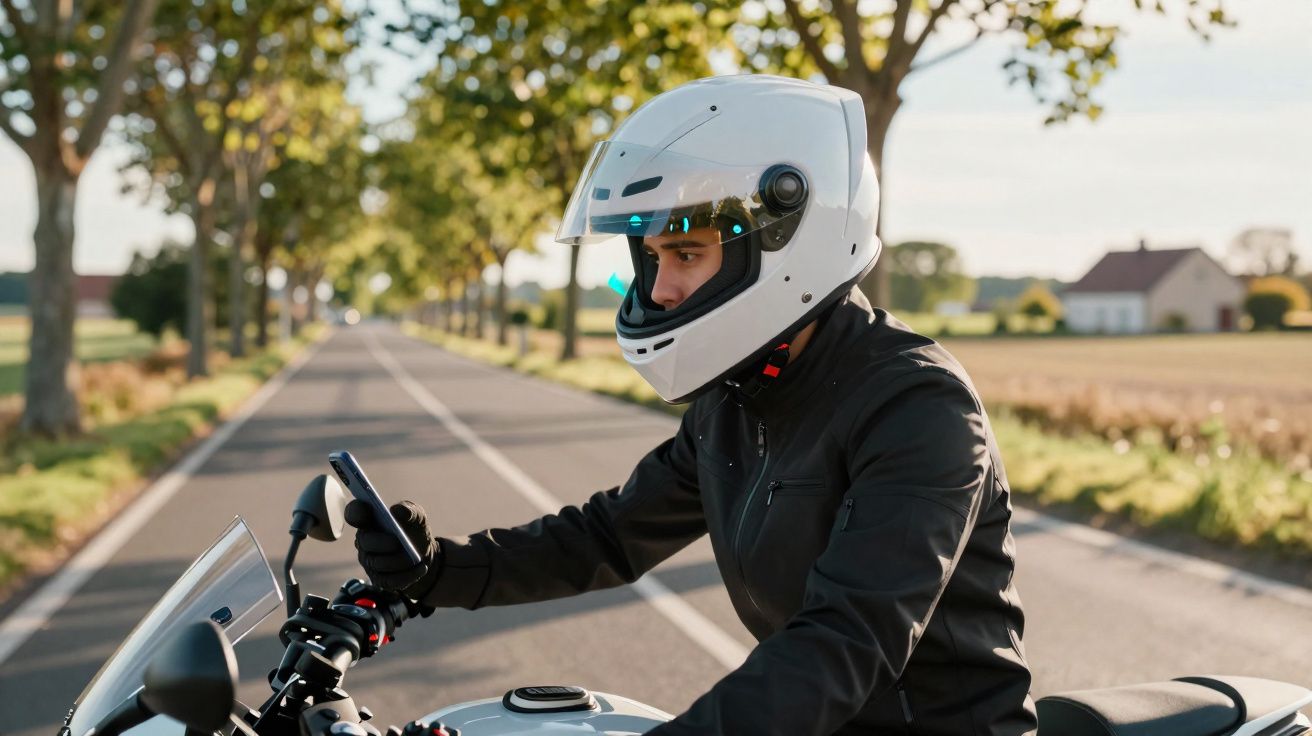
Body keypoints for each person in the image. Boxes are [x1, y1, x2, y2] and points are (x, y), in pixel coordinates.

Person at [347, 74, 1039, 735]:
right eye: (653, 258)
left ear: (786, 239)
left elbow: (848, 639)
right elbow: (610, 534)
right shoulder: (739, 394)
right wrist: (439, 569)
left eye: (685, 255)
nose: (661, 289)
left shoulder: (919, 407)